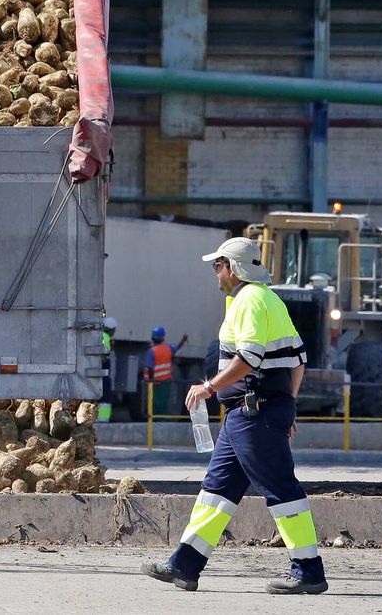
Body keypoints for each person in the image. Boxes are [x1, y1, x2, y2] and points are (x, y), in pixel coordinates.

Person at [142, 237, 326, 596]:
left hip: (253, 413)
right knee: (217, 489)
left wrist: (209, 387)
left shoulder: (250, 301)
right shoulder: (267, 299)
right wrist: (288, 404)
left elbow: (249, 358)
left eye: (218, 265)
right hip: (249, 415)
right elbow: (298, 360)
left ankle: (309, 571)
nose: (215, 272)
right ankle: (185, 564)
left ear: (233, 268)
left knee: (280, 488)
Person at [142, 326, 188, 418]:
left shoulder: (151, 351)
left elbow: (150, 367)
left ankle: (155, 421)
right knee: (163, 403)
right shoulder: (168, 348)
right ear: (163, 337)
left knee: (154, 404)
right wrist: (182, 341)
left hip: (154, 383)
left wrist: (151, 381)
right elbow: (176, 348)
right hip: (166, 382)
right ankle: (162, 419)